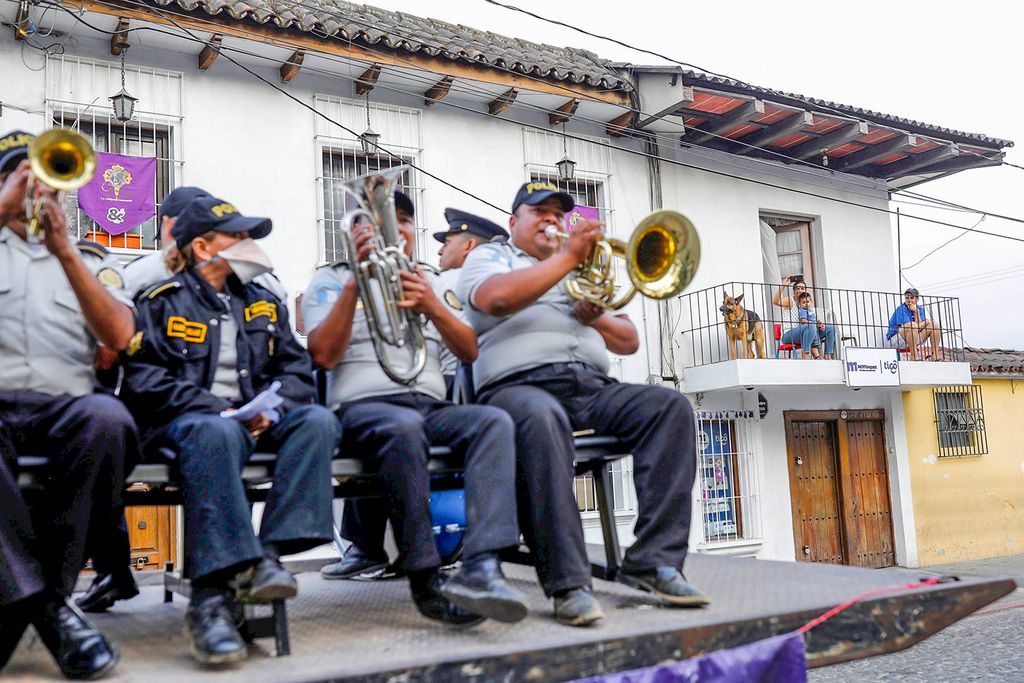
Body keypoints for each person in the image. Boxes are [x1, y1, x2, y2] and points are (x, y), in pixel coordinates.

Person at [457, 181, 710, 628]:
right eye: (539, 212)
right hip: (519, 387)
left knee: (669, 407)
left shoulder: (579, 272)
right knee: (542, 418)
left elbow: (628, 340)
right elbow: (494, 299)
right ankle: (568, 583)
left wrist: (595, 316)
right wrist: (567, 258)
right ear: (514, 221)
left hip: (591, 386)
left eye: (559, 213)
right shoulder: (491, 257)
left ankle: (653, 561)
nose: (552, 219)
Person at [120, 196, 339, 665]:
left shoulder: (263, 303)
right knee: (215, 433)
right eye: (237, 236)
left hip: (255, 423)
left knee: (318, 420)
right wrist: (222, 408)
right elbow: (143, 380)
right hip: (189, 424)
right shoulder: (162, 301)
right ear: (202, 246)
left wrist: (271, 410)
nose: (248, 244)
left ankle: (269, 557)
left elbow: (298, 372)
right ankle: (212, 600)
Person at [304, 194, 529, 626]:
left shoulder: (428, 280)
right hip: (361, 408)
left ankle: (482, 564)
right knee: (403, 427)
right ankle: (425, 580)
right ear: (354, 233)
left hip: (426, 405)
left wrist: (431, 304)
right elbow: (323, 355)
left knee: (492, 422)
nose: (396, 228)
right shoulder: (330, 280)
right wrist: (355, 284)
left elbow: (467, 349)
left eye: (404, 220)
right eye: (379, 221)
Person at [0, 130, 137, 679]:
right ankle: (54, 610)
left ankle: (34, 601)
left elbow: (121, 334)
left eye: (46, 182)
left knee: (111, 420)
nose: (36, 192)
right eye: (19, 178)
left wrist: (63, 252)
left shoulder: (90, 262)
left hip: (66, 406)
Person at [772, 276, 834, 359]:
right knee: (810, 325)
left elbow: (812, 321)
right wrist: (783, 285)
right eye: (797, 288)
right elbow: (775, 302)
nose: (800, 290)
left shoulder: (806, 304)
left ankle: (827, 356)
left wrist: (819, 324)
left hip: (807, 331)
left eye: (802, 288)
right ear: (794, 291)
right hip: (789, 334)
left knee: (830, 328)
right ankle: (807, 355)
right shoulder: (790, 301)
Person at [886, 287, 942, 360]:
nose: (909, 300)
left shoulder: (920, 309)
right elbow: (913, 327)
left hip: (912, 337)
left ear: (917, 299)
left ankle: (935, 356)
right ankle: (914, 357)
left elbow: (919, 328)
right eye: (907, 298)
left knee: (934, 325)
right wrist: (926, 322)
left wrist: (916, 312)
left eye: (912, 298)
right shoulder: (901, 309)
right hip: (895, 339)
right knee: (912, 325)